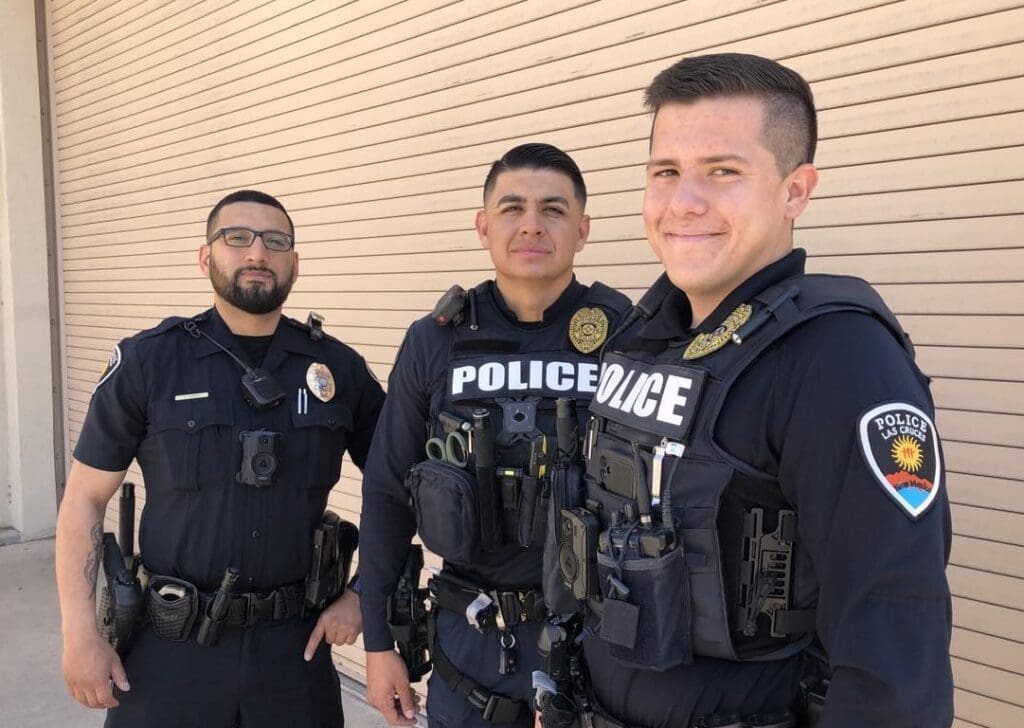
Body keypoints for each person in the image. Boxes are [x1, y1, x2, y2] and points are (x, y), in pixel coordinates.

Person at [544, 53, 954, 728]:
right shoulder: (644, 336)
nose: (684, 202)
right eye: (666, 172)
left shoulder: (839, 359)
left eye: (723, 172)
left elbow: (893, 646)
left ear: (796, 190)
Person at [55, 189, 385, 728]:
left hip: (294, 652)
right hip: (170, 649)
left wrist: (363, 594)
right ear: (206, 257)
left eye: (275, 242)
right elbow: (84, 500)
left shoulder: (336, 369)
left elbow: (403, 488)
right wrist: (80, 634)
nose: (257, 253)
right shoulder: (149, 362)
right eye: (237, 238)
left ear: (294, 264)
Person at [358, 143, 632, 728]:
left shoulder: (626, 336)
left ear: (582, 230)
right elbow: (386, 491)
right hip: (471, 646)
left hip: (597, 644)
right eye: (513, 208)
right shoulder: (435, 341)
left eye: (553, 210)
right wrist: (379, 644)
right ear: (484, 227)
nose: (532, 224)